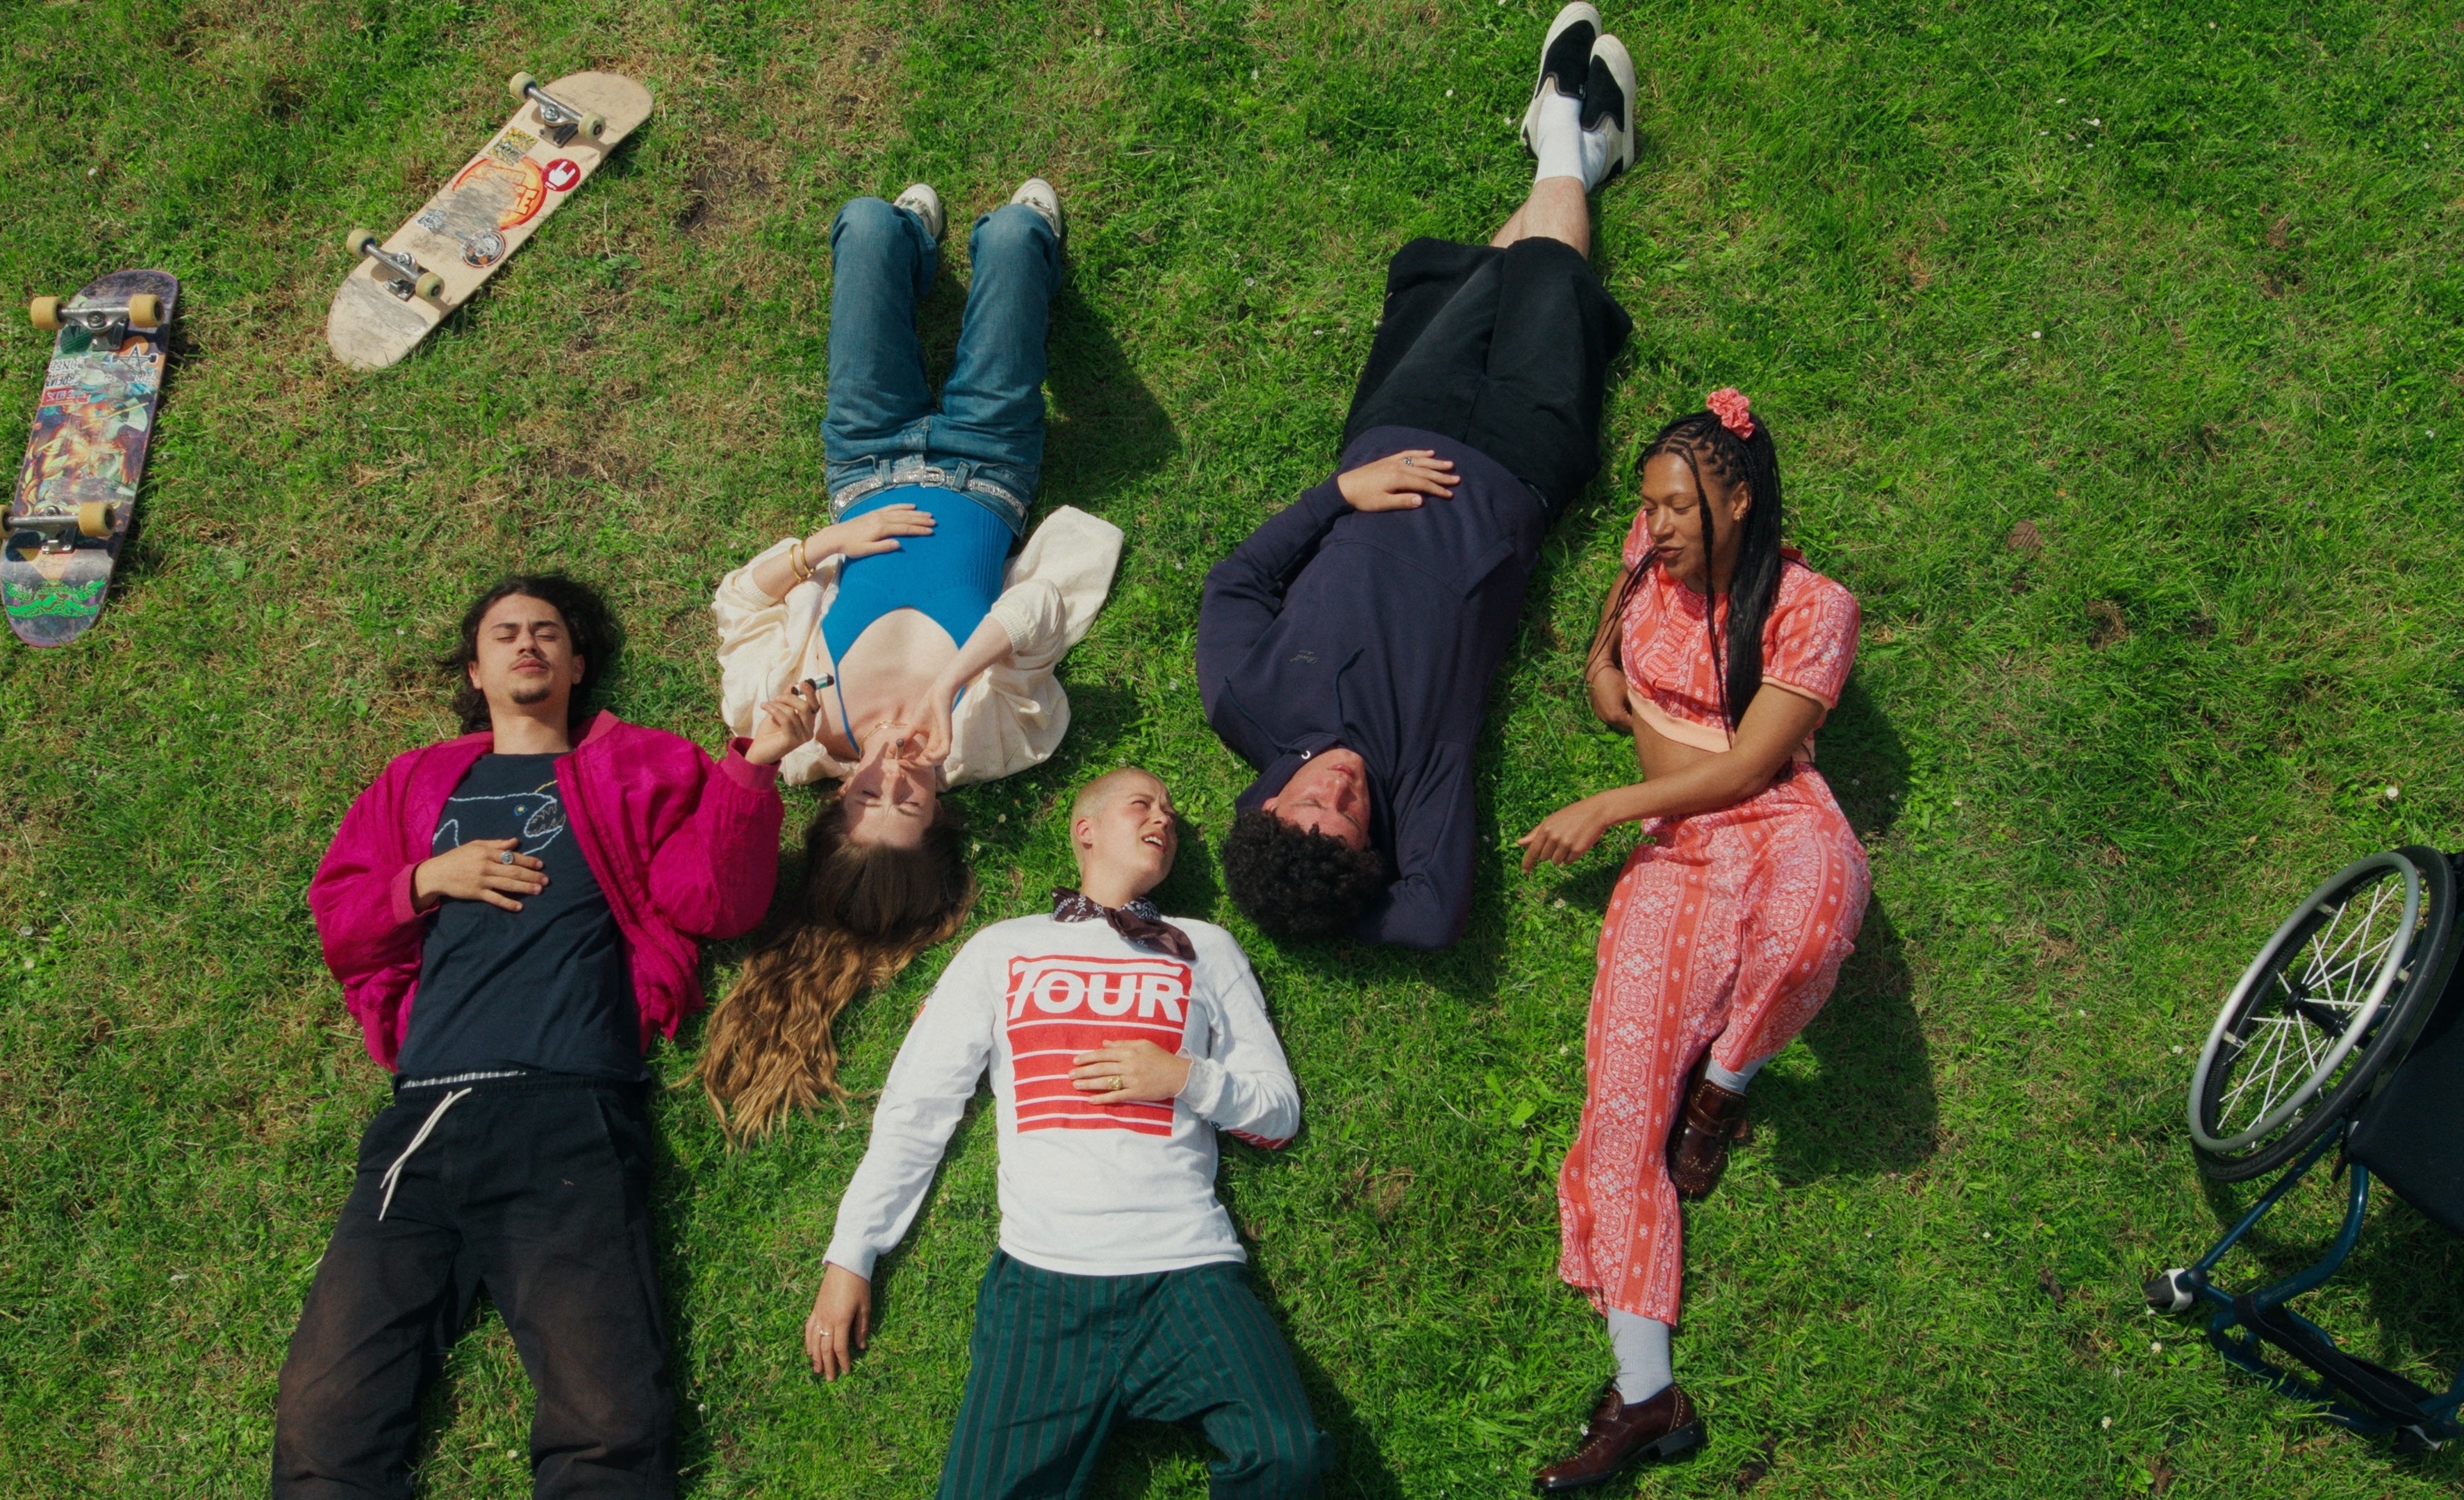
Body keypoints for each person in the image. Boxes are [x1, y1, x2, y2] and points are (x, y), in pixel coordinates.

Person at [274, 574, 822, 1498]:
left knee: (606, 1421)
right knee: (324, 1420)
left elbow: (715, 904)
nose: (527, 643)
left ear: (576, 663)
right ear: (476, 671)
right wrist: (427, 879)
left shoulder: (640, 766)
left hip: (569, 1110)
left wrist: (755, 766)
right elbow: (342, 919)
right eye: (504, 634)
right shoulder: (416, 781)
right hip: (426, 1117)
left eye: (547, 632)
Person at [1197, 1, 1637, 949]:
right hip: (1518, 472)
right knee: (1549, 278)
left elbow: (1235, 583)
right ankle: (1566, 129)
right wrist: (1335, 905)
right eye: (1350, 821)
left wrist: (1339, 497)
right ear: (1372, 848)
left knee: (1481, 280)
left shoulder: (1244, 703)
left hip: (1395, 438)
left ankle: (1576, 147)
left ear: (1266, 806)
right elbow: (1433, 917)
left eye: (1312, 803)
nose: (1342, 790)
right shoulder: (1418, 787)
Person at [706, 178, 1123, 1140]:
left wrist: (822, 548)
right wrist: (949, 682)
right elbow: (1041, 609)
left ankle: (913, 252)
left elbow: (737, 602)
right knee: (1015, 235)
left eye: (869, 796)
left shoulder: (786, 720)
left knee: (865, 224)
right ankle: (988, 252)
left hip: (863, 460)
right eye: (913, 800)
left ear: (836, 803)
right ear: (941, 816)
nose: (895, 772)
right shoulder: (993, 741)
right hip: (990, 460)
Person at [1518, 384, 1868, 1490]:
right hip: (1676, 850)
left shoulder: (1813, 606)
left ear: (1739, 501)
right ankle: (1646, 1394)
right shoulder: (1648, 560)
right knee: (1619, 1114)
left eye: (1677, 507)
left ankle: (1725, 1084)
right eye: (1650, 505)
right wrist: (1610, 689)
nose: (1657, 526)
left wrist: (1610, 801)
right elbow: (1606, 646)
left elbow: (1753, 766)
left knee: (1811, 933)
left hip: (1775, 817)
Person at [802, 767, 1329, 1499]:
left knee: (1288, 1455)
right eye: (1143, 804)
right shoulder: (1002, 948)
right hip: (1045, 1280)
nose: (1164, 820)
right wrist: (852, 1252)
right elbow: (918, 1105)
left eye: (1171, 812)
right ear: (1085, 831)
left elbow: (1278, 1113)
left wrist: (1183, 1077)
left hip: (1188, 1269)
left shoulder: (1205, 948)